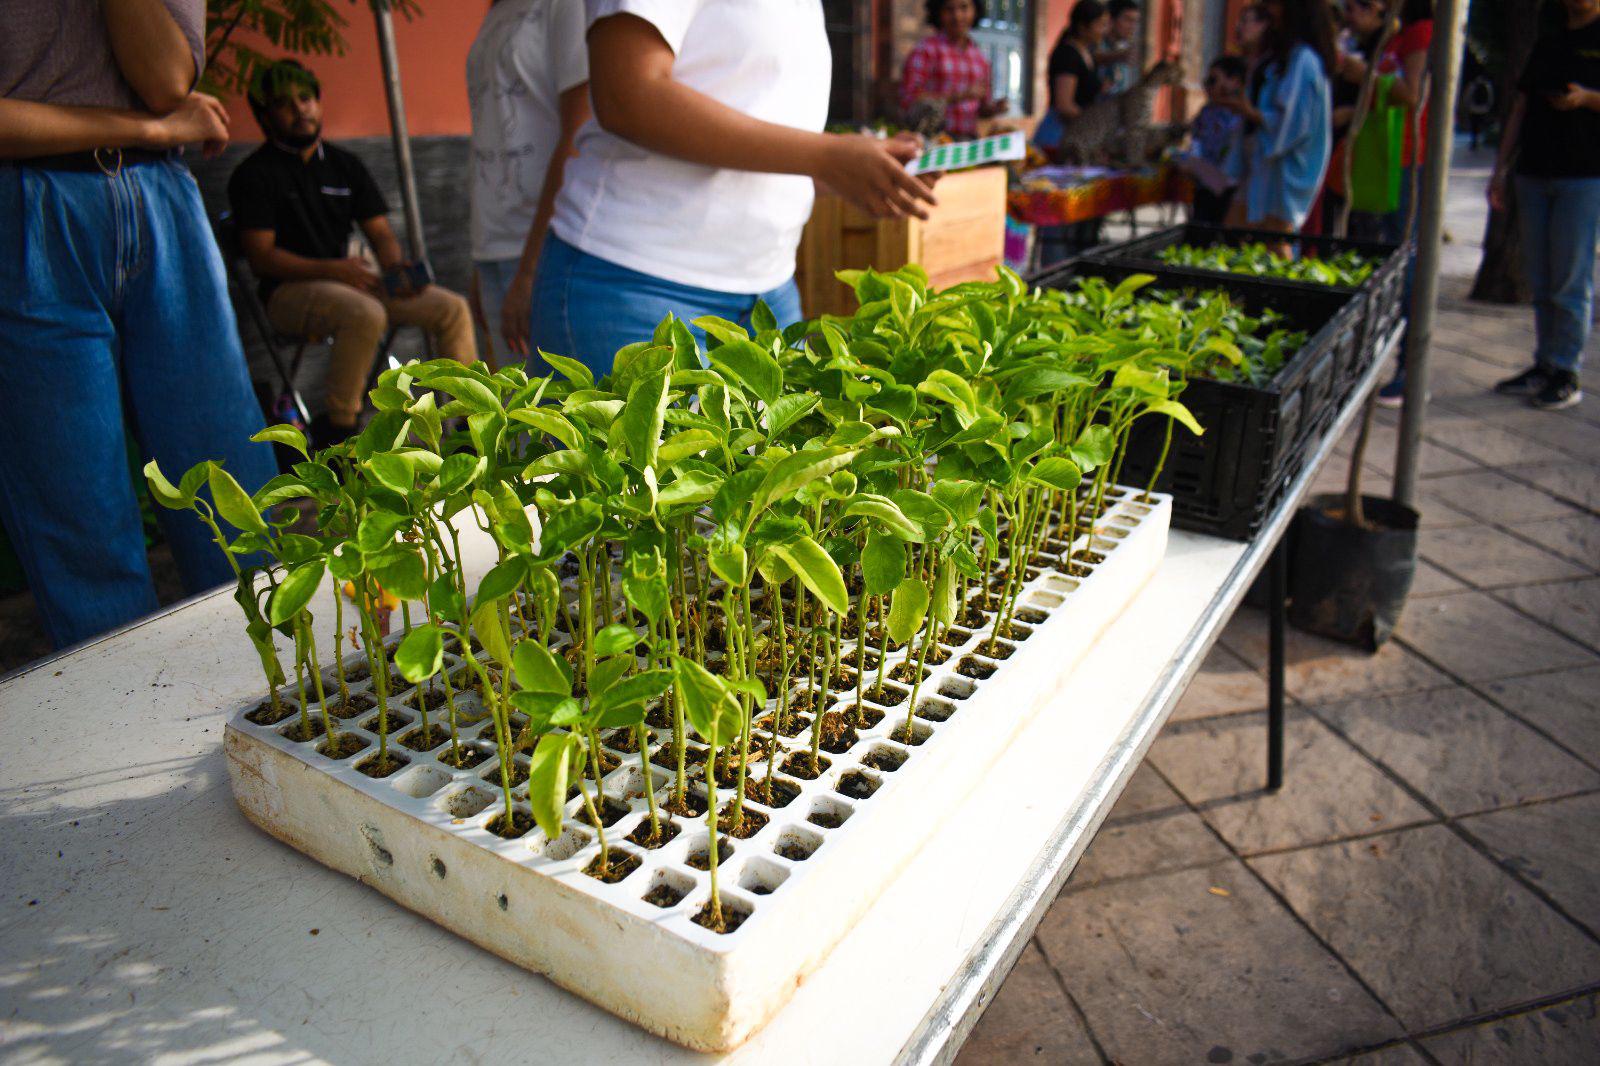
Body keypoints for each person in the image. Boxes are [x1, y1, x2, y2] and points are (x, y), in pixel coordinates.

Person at [0, 0, 278, 650]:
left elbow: (166, 82)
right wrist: (148, 129)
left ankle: (284, 712)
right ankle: (135, 738)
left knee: (235, 499)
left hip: (161, 201)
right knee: (83, 531)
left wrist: (156, 127)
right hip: (23, 208)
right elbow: (162, 110)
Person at [530, 1, 937, 379]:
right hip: (637, 286)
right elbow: (626, 93)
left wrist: (859, 171)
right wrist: (827, 156)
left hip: (768, 292)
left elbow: (757, 118)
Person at [228, 60, 478, 449]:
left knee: (452, 308)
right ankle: (341, 436)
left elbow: (379, 232)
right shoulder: (253, 174)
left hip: (357, 284)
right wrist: (336, 270)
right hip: (287, 294)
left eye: (307, 98)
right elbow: (262, 258)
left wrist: (397, 269)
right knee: (365, 313)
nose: (300, 110)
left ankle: (469, 432)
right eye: (285, 103)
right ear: (264, 115)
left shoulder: (346, 165)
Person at [1489, 0, 1600, 411]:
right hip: (1534, 171)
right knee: (1541, 277)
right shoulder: (1549, 39)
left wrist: (1587, 99)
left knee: (1570, 279)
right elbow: (1520, 107)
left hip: (1584, 176)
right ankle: (1544, 362)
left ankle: (1566, 371)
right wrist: (1500, 168)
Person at [466, 0, 590, 365]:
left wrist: (531, 269)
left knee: (548, 412)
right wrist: (481, 257)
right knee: (513, 409)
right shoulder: (496, 12)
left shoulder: (568, 6)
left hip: (548, 248)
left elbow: (579, 135)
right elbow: (488, 135)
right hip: (495, 248)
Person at [1222, 0, 1336, 247]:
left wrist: (1251, 113)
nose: (1270, 12)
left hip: (1282, 167)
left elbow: (1293, 122)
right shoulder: (1280, 56)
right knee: (1237, 229)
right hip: (1263, 161)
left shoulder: (1304, 59)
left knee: (1275, 237)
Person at [899, 0, 1006, 140]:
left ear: (975, 11)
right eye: (949, 9)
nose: (957, 16)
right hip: (934, 141)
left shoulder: (979, 57)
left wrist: (994, 109)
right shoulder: (926, 50)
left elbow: (981, 109)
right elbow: (910, 98)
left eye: (964, 7)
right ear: (939, 13)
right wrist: (959, 96)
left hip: (969, 140)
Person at [1035, 0, 1112, 160]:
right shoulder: (1068, 55)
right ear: (1083, 26)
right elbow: (1064, 106)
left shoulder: (1087, 52)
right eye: (1100, 25)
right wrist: (1096, 122)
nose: (1104, 31)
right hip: (1059, 137)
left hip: (1075, 136)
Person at [1182, 56, 1247, 224]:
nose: (1207, 86)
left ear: (1234, 81)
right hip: (1207, 187)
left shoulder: (1242, 115)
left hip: (1232, 191)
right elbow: (1196, 144)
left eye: (1213, 80)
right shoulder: (1206, 113)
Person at [1097, 0, 1143, 98]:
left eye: (1135, 22)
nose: (1132, 27)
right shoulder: (1097, 45)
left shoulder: (1125, 48)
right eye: (1127, 20)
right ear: (1111, 20)